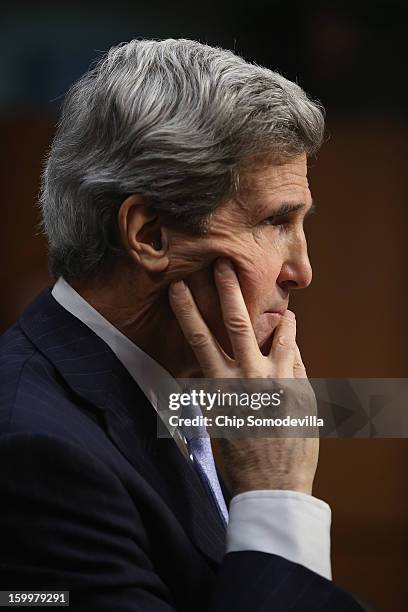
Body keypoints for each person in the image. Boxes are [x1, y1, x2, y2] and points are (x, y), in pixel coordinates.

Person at [0, 39, 367, 610]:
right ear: (150, 236)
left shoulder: (188, 395)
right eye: (275, 221)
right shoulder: (35, 451)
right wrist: (275, 501)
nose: (302, 270)